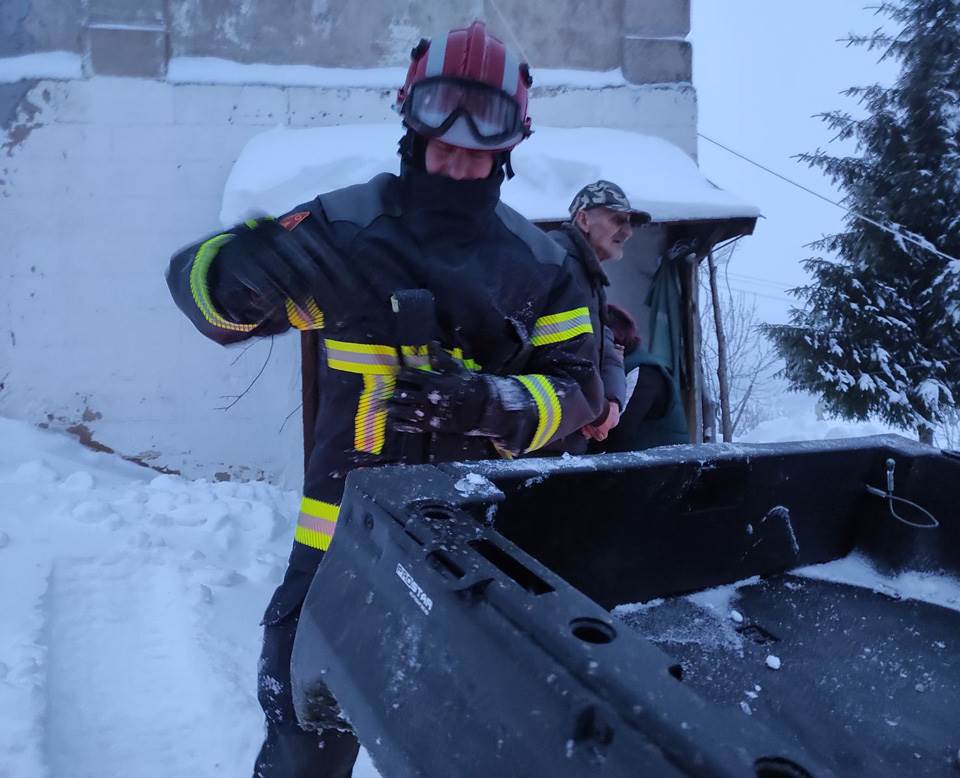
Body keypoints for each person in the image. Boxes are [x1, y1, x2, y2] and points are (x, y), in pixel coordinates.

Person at [165, 21, 604, 777]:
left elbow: (581, 391)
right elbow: (210, 307)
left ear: (509, 147)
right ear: (410, 122)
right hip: (338, 553)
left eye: (479, 145)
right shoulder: (344, 229)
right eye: (443, 137)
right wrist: (242, 273)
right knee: (304, 755)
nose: (458, 157)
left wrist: (490, 403)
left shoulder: (541, 265)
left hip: (477, 559)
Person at [542, 180, 651, 451]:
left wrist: (611, 401)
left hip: (563, 441)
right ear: (583, 219)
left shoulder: (587, 277)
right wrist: (597, 409)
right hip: (541, 447)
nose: (627, 232)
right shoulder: (554, 265)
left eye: (629, 223)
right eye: (617, 220)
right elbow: (552, 359)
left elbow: (605, 349)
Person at [596, 303, 689, 452]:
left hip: (663, 470)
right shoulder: (620, 369)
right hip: (641, 466)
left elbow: (616, 433)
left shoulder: (642, 371)